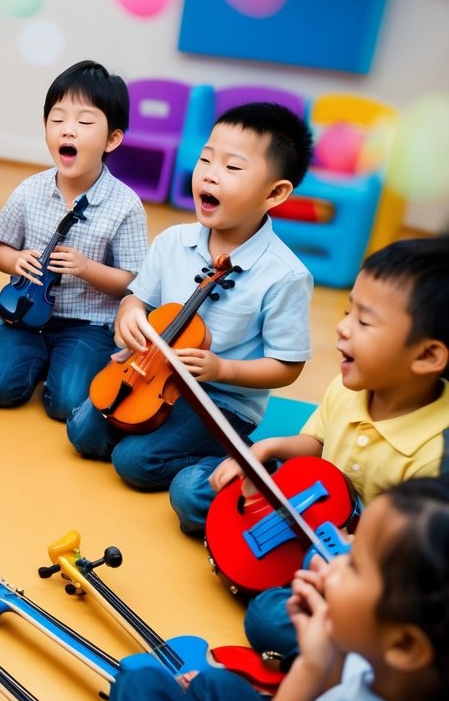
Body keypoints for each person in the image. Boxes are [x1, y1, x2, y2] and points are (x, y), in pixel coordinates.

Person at [187, 237, 449, 660]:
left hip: (360, 560)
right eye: (348, 313)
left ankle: (289, 594)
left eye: (364, 322)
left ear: (427, 356)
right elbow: (316, 444)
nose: (343, 328)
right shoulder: (347, 388)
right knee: (193, 488)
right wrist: (267, 448)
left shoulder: (438, 453)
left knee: (268, 619)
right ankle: (263, 561)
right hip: (306, 505)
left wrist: (349, 556)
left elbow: (407, 563)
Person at [107, 474, 449, 701]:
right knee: (213, 686)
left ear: (405, 645)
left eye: (354, 565)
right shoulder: (395, 671)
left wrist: (307, 668)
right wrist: (334, 643)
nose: (328, 560)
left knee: (138, 687)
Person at [66, 103, 315, 490]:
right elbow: (137, 299)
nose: (210, 175)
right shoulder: (173, 241)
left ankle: (249, 459)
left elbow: (287, 365)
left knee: (134, 462)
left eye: (232, 168)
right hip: (154, 375)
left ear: (275, 193)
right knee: (84, 433)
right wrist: (129, 314)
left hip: (222, 399)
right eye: (205, 159)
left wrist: (222, 370)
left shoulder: (286, 275)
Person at [0, 60, 148, 420]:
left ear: (113, 139)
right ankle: (37, 360)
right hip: (25, 314)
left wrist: (86, 268)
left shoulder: (126, 205)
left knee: (67, 404)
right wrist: (15, 260)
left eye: (84, 122)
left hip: (86, 324)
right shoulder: (30, 190)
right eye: (57, 120)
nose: (68, 130)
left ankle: (59, 363)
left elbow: (133, 282)